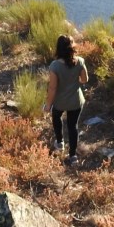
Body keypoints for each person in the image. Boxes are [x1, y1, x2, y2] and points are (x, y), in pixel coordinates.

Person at [43, 34, 89, 165]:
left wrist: (48, 105)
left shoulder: (55, 66)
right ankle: (73, 155)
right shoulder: (80, 61)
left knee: (56, 117)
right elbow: (85, 79)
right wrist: (75, 81)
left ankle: (60, 142)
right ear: (72, 47)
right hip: (76, 101)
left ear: (58, 48)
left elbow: (52, 88)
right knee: (73, 126)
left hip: (60, 101)